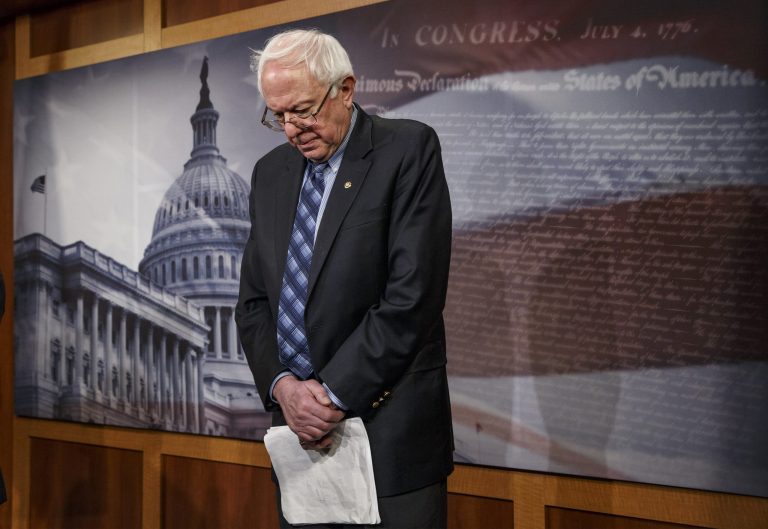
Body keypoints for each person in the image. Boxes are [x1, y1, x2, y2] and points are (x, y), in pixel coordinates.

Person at [236, 29, 454, 528]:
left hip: (389, 436)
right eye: (278, 115)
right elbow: (253, 304)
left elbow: (411, 298)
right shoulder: (270, 173)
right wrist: (284, 388)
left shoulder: (407, 150)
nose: (293, 128)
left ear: (347, 89)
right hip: (299, 441)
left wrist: (330, 395)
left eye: (304, 109)